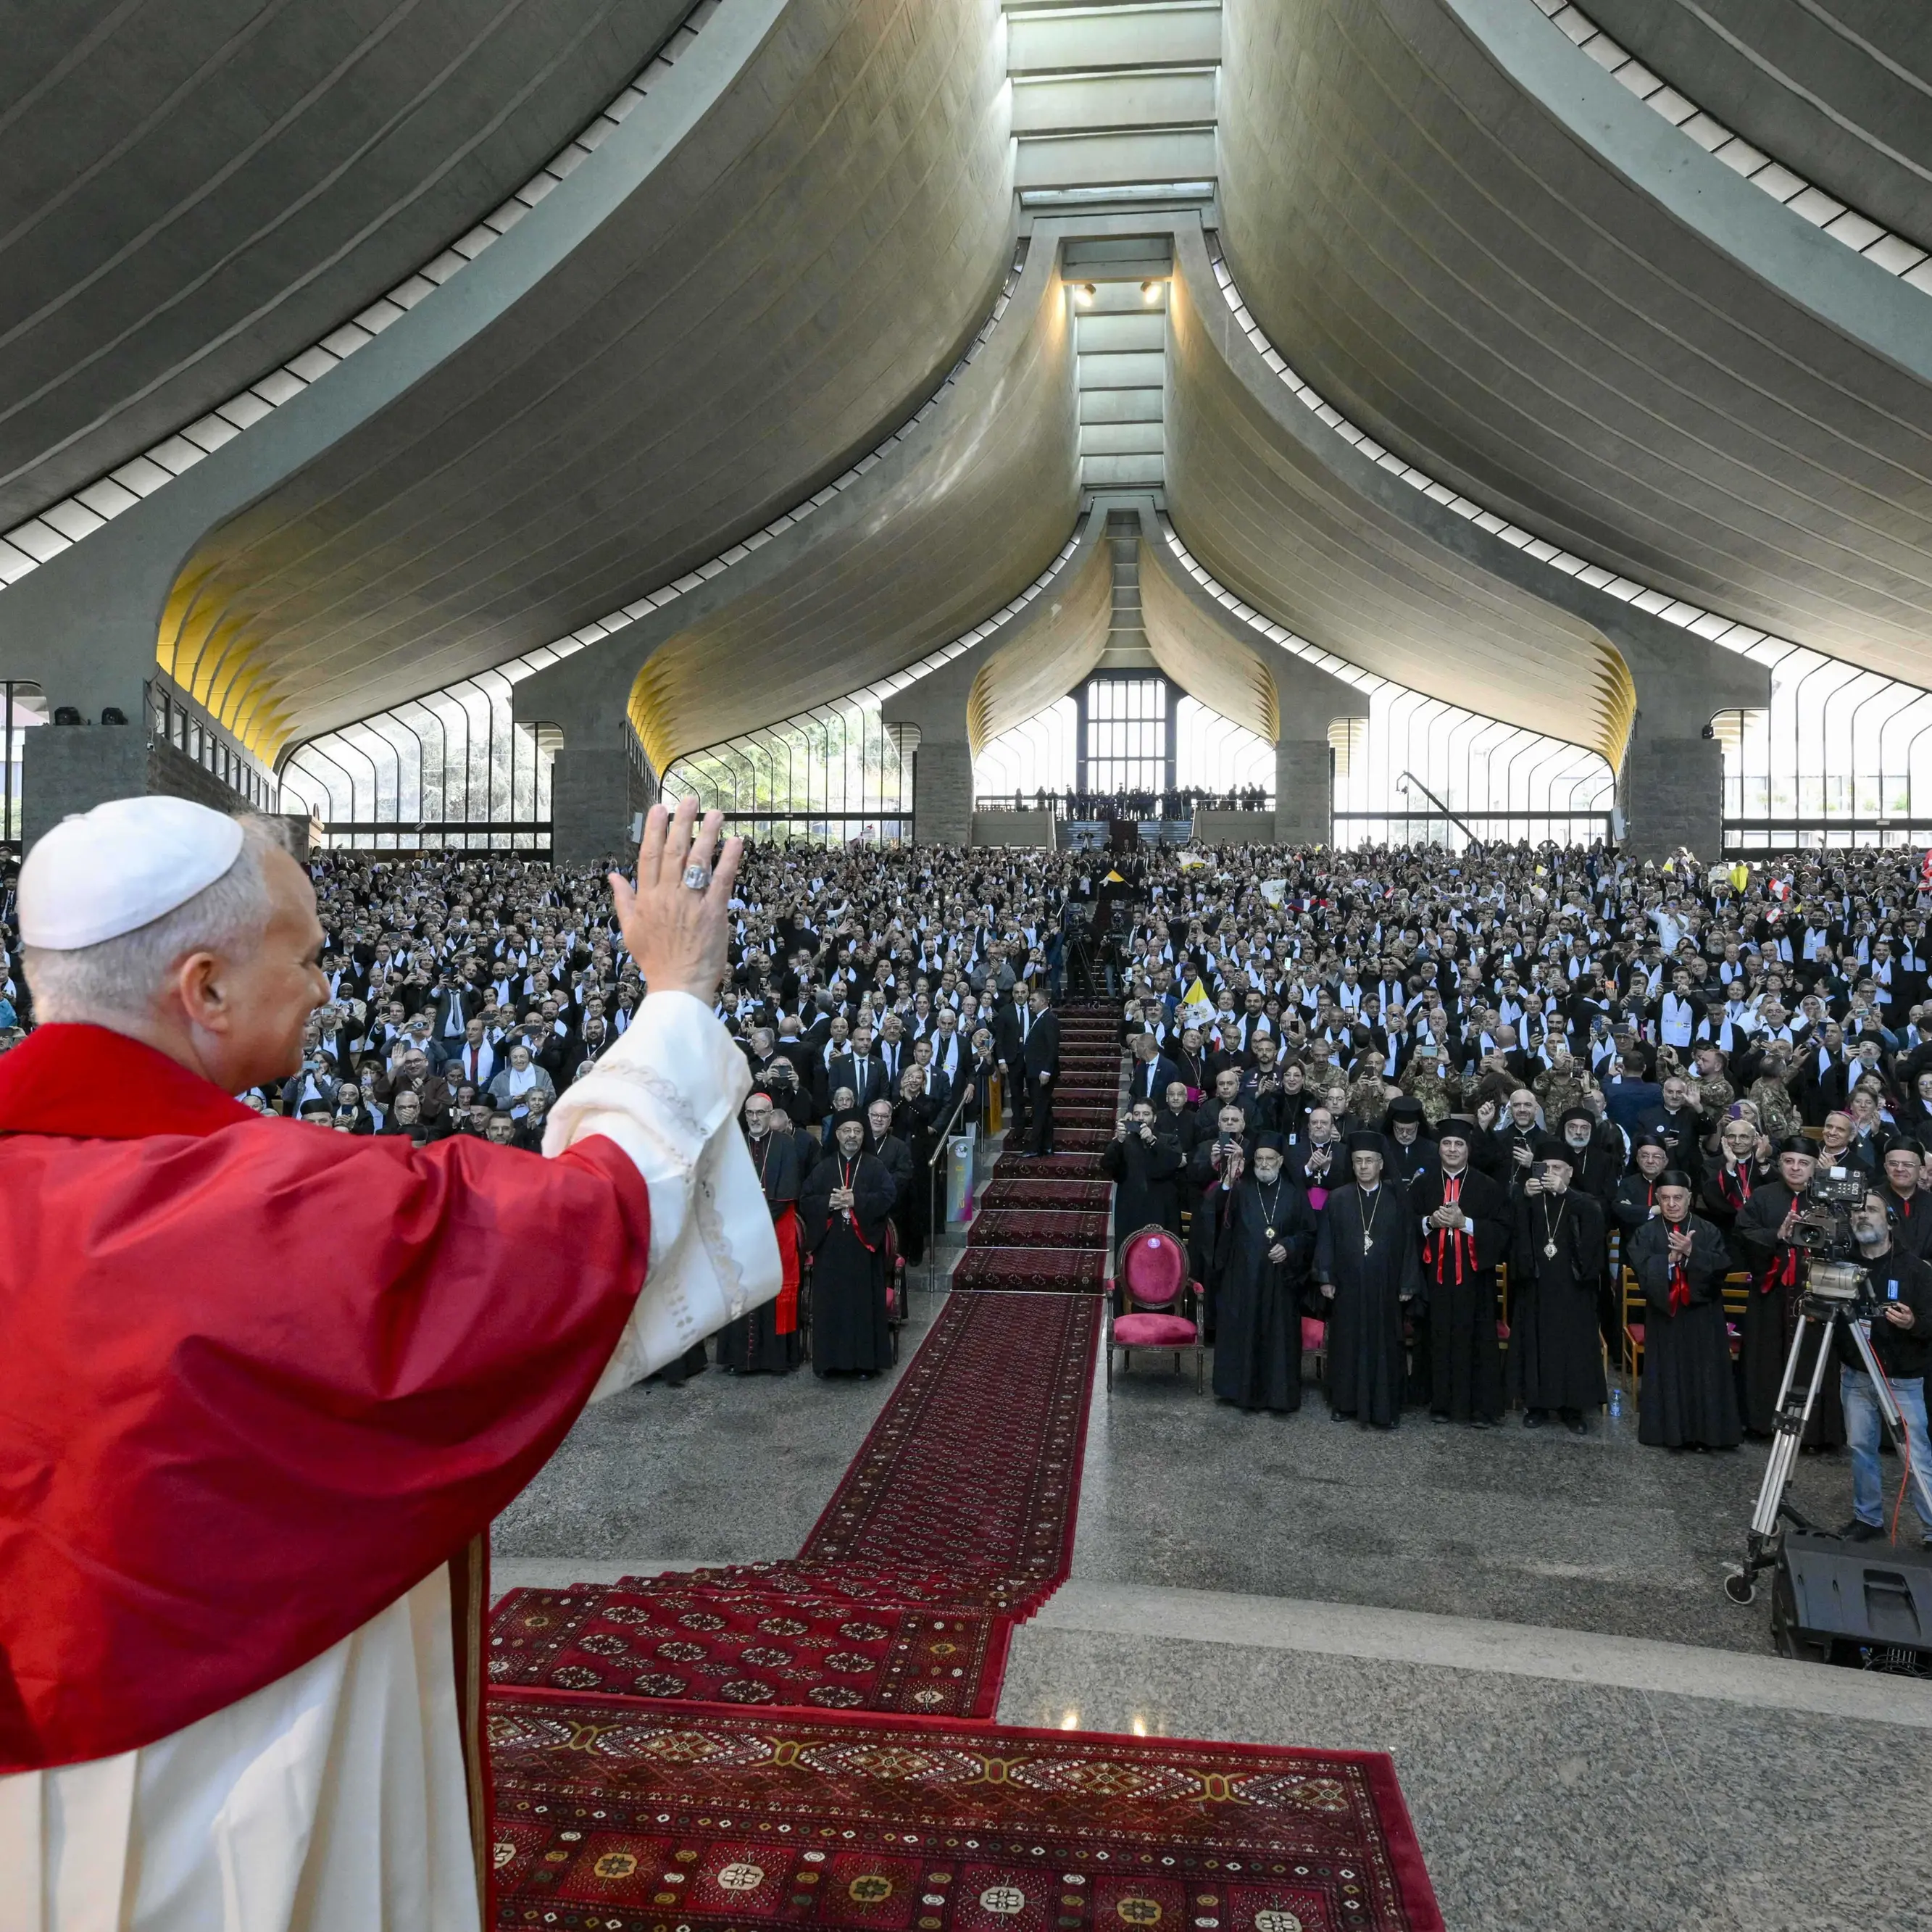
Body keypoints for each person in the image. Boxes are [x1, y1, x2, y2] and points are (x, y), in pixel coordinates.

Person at [0, 795, 778, 1923]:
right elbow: (587, 1226)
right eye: (305, 956)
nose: (326, 986)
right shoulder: (275, 1209)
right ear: (204, 988)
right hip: (225, 1775)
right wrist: (677, 993)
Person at [1731, 1137, 1845, 1448]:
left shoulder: (1828, 1198)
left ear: (1815, 1167)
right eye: (1789, 1162)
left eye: (1803, 1163)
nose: (1795, 1168)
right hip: (1772, 1292)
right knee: (1765, 1358)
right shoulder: (1763, 1196)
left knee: (1813, 1359)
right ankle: (1762, 1424)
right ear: (1780, 1164)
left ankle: (1814, 1433)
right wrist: (1777, 1235)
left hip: (1815, 1293)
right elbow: (1743, 1233)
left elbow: (1845, 1239)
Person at [1835, 1189, 1932, 1546]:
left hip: (1902, 1380)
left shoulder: (1916, 1270)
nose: (1862, 1215)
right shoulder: (1842, 1267)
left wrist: (1912, 1323)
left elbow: (1930, 1323)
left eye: (1872, 1210)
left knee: (1915, 1456)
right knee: (1861, 1448)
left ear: (1890, 1221)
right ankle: (1868, 1518)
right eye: (1857, 1211)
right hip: (1856, 1375)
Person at [1312, 1131, 1422, 1428]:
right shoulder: (1338, 1198)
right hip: (1347, 1286)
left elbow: (1409, 1243)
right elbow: (1326, 1241)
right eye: (1358, 1161)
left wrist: (1407, 1283)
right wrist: (1326, 1277)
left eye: (1369, 1161)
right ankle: (1344, 1403)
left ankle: (1386, 1406)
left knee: (1385, 1345)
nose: (1363, 1166)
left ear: (1381, 1164)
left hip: (1386, 1287)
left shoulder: (1397, 1199)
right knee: (1347, 1342)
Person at [1628, 1170, 1742, 1450]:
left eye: (1678, 1198)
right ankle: (1668, 1434)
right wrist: (1668, 1261)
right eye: (1665, 1198)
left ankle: (1705, 1435)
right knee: (1668, 1374)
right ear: (1658, 1199)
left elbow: (1722, 1266)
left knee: (1704, 1374)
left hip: (1702, 1316)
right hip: (1665, 1315)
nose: (1672, 1204)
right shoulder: (1646, 1232)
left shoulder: (1708, 1230)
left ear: (1689, 1198)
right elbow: (1641, 1269)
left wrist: (1693, 1253)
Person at [1410, 1121, 1510, 1426]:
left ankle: (1478, 1407)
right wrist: (1430, 1222)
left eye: (1459, 1144)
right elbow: (1406, 1224)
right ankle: (1439, 1403)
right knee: (1437, 1336)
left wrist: (1464, 1223)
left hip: (1473, 1280)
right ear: (1439, 1148)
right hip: (1435, 1280)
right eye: (1447, 1144)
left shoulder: (1488, 1186)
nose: (1452, 1150)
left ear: (1468, 1149)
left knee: (1475, 1338)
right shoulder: (1423, 1184)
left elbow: (1503, 1231)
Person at [1210, 1132, 1318, 1412]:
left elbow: (1309, 1233)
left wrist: (1289, 1246)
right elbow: (1214, 1212)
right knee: (1245, 1332)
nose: (1264, 1164)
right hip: (1243, 1276)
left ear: (1281, 1161)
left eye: (1270, 1159)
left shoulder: (1294, 1193)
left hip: (1279, 1281)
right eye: (1259, 1159)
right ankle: (1241, 1393)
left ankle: (1277, 1396)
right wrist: (1227, 1181)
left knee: (1278, 1336)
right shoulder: (1241, 1188)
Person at [1507, 1137, 1608, 1433]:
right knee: (1536, 1342)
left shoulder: (1581, 1200)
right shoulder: (1529, 1196)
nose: (1551, 1173)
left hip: (1572, 1287)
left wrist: (1565, 1192)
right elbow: (1511, 1228)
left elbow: (1596, 1220)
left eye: (1558, 1168)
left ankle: (1572, 1409)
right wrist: (1522, 1197)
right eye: (1546, 1167)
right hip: (1537, 1285)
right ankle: (1536, 1405)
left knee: (1573, 1347)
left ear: (1570, 1172)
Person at [800, 1109, 896, 1375]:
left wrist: (858, 1201)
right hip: (831, 1250)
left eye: (857, 1131)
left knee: (862, 1306)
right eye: (846, 1131)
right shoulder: (824, 1167)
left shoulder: (875, 1166)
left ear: (864, 1135)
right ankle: (829, 1363)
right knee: (831, 1306)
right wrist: (827, 1203)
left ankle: (864, 1364)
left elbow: (888, 1197)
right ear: (837, 1135)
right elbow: (805, 1200)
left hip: (863, 1249)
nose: (852, 1136)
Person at [716, 1089, 804, 1373]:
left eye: (760, 1113)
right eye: (750, 1113)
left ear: (770, 1115)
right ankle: (740, 1359)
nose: (755, 1118)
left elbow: (788, 1189)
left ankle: (775, 1360)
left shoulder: (785, 1144)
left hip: (774, 1232)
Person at [1102, 1097, 1186, 1244]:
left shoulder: (1168, 1140)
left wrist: (1152, 1141)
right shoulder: (1123, 1142)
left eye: (1146, 1114)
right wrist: (1118, 1142)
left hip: (1162, 1209)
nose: (1141, 1118)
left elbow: (1174, 1161)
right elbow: (1108, 1166)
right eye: (1136, 1114)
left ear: (1155, 1117)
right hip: (1131, 1210)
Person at [1020, 984, 1060, 1154]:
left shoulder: (1049, 1019)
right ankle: (1047, 1145)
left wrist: (1046, 1071)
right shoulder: (1039, 1018)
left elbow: (1052, 1048)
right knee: (1044, 1109)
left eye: (1033, 1000)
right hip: (1035, 1071)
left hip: (1042, 1073)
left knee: (1039, 1110)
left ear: (1043, 1002)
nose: (1030, 1003)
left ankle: (1035, 1147)